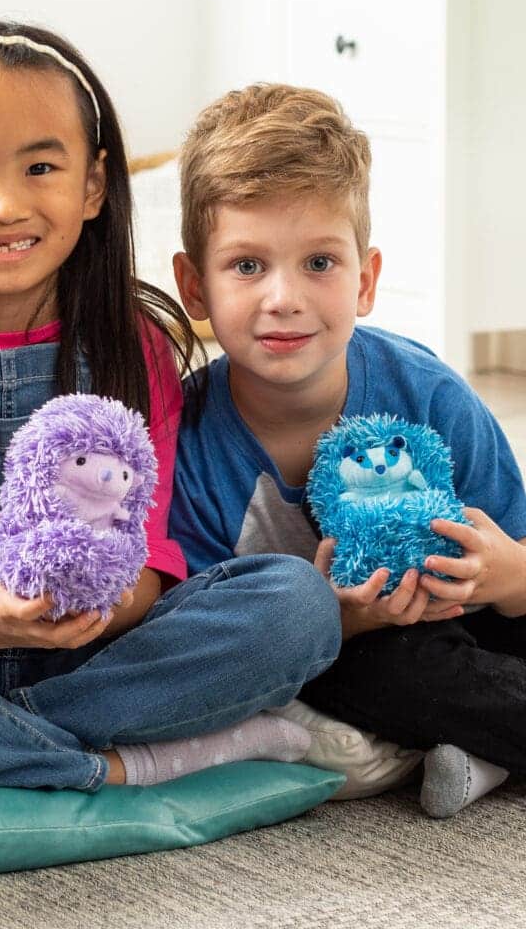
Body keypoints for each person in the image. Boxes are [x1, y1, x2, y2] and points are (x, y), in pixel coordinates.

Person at [0, 20, 341, 792]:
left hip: (102, 654)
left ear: (93, 187)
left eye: (42, 166)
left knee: (294, 601)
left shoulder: (130, 341)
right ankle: (106, 766)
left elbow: (152, 553)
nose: (6, 204)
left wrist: (94, 610)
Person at [169, 83, 526, 818]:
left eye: (319, 264)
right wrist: (345, 617)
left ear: (365, 280)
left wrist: (502, 575)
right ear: (193, 286)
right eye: (246, 266)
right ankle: (470, 734)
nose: (284, 298)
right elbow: (209, 644)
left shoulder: (426, 393)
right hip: (346, 655)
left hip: (475, 620)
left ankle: (471, 743)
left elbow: (519, 557)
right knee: (384, 673)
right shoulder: (190, 442)